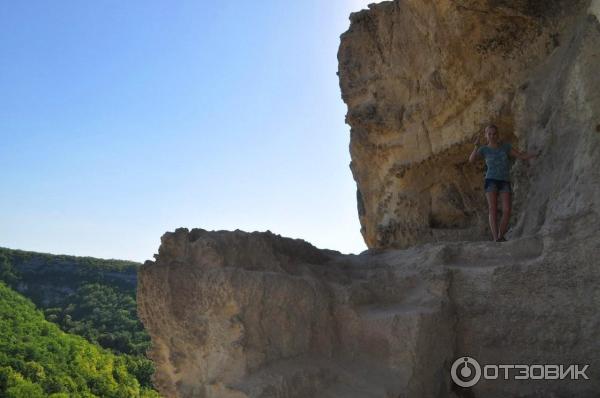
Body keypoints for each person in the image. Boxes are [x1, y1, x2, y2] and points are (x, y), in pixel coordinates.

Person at [469, 124, 540, 242]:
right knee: (493, 209)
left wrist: (535, 153)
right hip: (490, 180)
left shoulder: (505, 147)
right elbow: (471, 160)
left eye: (494, 133)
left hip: (504, 180)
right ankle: (496, 237)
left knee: (507, 210)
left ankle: (500, 235)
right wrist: (476, 146)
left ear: (498, 135)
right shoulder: (484, 149)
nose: (492, 136)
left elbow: (521, 156)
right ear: (486, 136)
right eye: (489, 134)